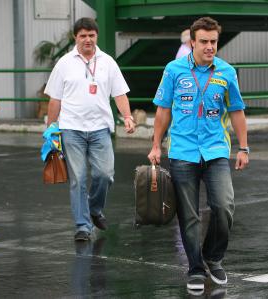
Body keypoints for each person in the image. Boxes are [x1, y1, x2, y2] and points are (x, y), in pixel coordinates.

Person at [148, 17, 249, 293]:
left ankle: (213, 257)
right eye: (203, 41)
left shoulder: (226, 72)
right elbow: (163, 110)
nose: (209, 47)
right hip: (182, 150)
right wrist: (156, 144)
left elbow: (237, 111)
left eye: (213, 41)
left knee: (224, 206)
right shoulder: (174, 70)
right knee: (189, 215)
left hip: (216, 149)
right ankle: (194, 267)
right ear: (192, 42)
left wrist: (243, 147)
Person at [44, 17, 135, 242]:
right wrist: (50, 129)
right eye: (83, 35)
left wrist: (128, 116)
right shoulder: (64, 63)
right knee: (78, 179)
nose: (87, 40)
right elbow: (55, 99)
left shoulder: (108, 62)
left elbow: (120, 93)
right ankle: (83, 226)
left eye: (91, 35)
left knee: (104, 175)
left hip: (100, 128)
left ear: (96, 36)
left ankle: (94, 209)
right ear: (76, 37)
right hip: (71, 129)